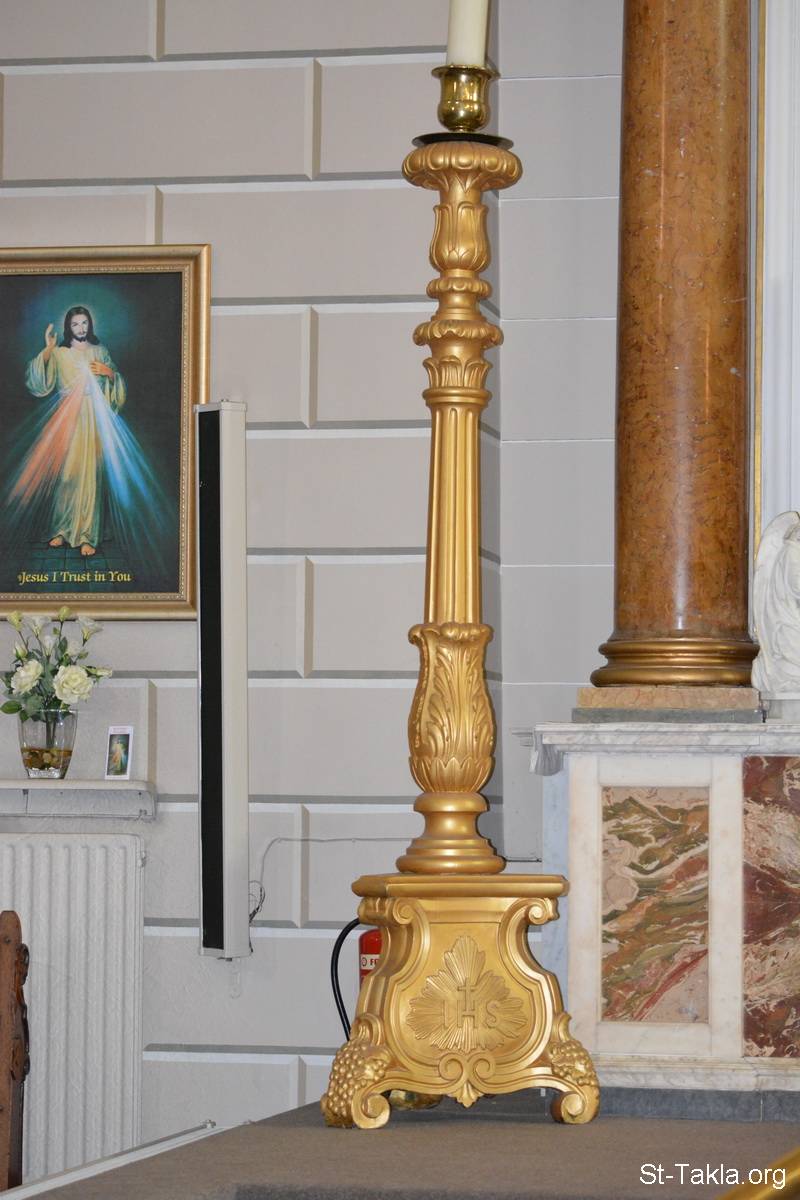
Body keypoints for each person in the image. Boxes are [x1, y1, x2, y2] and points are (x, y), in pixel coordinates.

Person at [15, 306, 126, 557]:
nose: (81, 328)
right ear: (69, 327)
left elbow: (116, 386)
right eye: (75, 324)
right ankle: (62, 529)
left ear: (90, 325)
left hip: (94, 418)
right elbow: (38, 382)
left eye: (84, 323)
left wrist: (110, 374)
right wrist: (47, 348)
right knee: (67, 475)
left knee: (91, 477)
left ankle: (87, 535)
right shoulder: (59, 353)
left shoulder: (100, 351)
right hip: (67, 418)